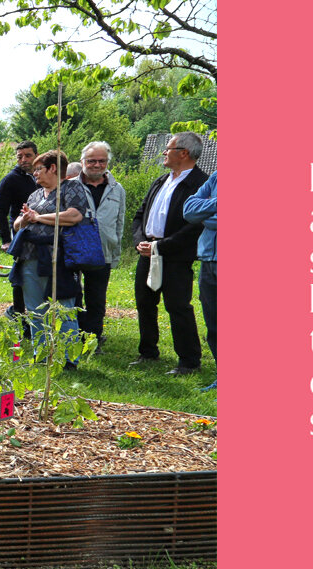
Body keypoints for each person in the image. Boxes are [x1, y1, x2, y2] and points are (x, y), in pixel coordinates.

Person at [128, 133, 209, 375]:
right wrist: (140, 242)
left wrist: (162, 246)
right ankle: (148, 352)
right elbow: (140, 215)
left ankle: (189, 361)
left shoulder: (201, 184)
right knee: (144, 302)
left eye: (169, 148)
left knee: (177, 306)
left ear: (183, 153)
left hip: (176, 255)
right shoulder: (160, 180)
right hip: (147, 251)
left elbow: (195, 226)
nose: (164, 152)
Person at [8, 149, 91, 350]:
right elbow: (17, 224)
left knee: (63, 308)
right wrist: (25, 219)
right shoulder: (35, 194)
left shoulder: (72, 189)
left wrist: (37, 218)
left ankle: (69, 357)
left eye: (38, 169)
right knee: (36, 309)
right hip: (29, 257)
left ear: (52, 168)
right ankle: (43, 354)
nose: (34, 174)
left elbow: (73, 216)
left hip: (58, 258)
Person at [76, 142, 128, 343]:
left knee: (97, 298)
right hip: (75, 251)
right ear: (83, 162)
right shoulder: (70, 186)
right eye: (91, 161)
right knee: (73, 296)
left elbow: (119, 222)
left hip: (103, 251)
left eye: (102, 161)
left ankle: (94, 338)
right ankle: (76, 336)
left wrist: (115, 252)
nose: (97, 165)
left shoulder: (117, 189)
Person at [182, 170, 218, 391]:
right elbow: (188, 210)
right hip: (208, 260)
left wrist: (207, 211)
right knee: (214, 325)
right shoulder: (217, 177)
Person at [0, 141, 37, 252]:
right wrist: (6, 240)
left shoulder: (43, 176)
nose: (23, 160)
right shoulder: (9, 180)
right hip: (20, 231)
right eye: (20, 157)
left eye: (28, 156)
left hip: (42, 232)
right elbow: (1, 211)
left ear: (36, 156)